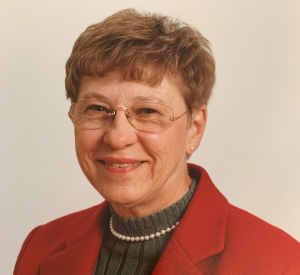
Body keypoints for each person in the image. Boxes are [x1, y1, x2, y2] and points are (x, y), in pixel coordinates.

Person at [14, 9, 300, 275]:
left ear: (194, 129)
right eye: (97, 109)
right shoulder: (40, 246)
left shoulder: (280, 263)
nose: (117, 137)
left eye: (148, 112)